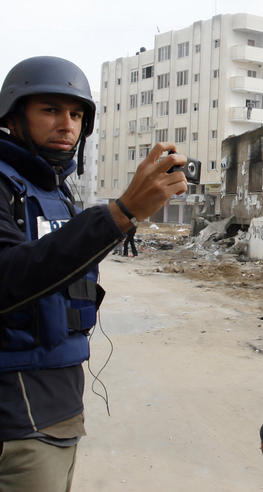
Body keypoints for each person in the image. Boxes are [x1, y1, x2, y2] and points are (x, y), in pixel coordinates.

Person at [0, 56, 189, 492]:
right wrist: (121, 213)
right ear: (13, 116)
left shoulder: (55, 192)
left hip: (61, 405)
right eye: (50, 110)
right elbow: (7, 278)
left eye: (76, 114)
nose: (67, 124)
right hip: (16, 417)